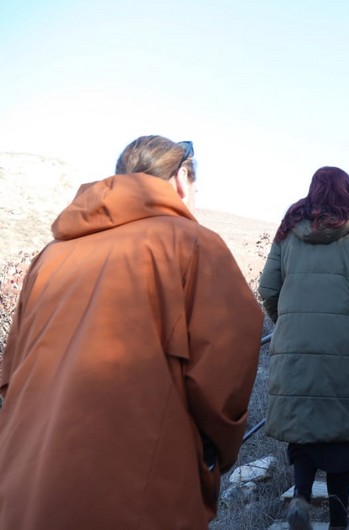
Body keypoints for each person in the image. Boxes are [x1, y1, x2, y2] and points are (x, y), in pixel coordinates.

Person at [0, 135, 264, 529]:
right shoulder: (195, 246)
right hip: (139, 491)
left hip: (26, 484)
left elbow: (10, 376)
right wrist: (213, 455)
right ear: (180, 179)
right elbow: (224, 379)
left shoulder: (49, 256)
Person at [258, 167, 349, 530]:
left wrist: (287, 322)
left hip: (298, 342)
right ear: (348, 191)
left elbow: (268, 289)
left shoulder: (288, 228)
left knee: (304, 425)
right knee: (344, 434)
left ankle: (301, 498)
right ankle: (338, 518)